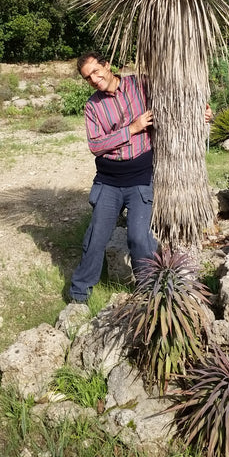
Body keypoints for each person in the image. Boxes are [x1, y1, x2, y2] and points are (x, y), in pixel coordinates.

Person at [69, 51, 157, 302]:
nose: (95, 80)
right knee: (96, 238)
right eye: (88, 78)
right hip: (108, 181)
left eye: (97, 71)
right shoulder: (92, 106)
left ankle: (150, 294)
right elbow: (96, 145)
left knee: (139, 237)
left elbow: (175, 94)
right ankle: (79, 296)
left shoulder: (141, 85)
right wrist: (133, 128)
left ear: (107, 66)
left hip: (141, 177)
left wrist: (203, 112)